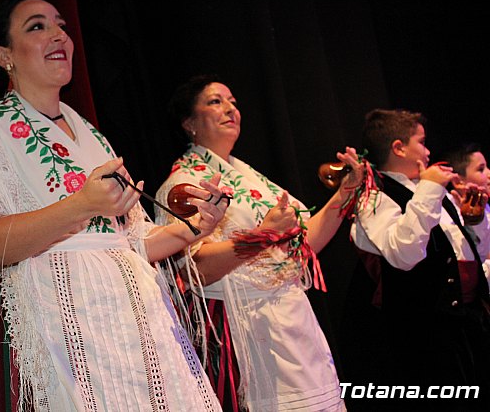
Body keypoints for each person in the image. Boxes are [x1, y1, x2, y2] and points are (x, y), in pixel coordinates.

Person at [0, 0, 228, 411]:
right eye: (37, 27)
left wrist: (196, 226)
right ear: (4, 55)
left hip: (131, 322)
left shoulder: (90, 135)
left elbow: (135, 243)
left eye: (61, 25)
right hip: (55, 321)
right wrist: (81, 205)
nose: (59, 35)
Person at [155, 74, 363, 411]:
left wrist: (345, 193)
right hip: (244, 331)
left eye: (233, 102)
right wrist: (261, 236)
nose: (230, 109)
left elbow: (303, 243)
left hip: (293, 322)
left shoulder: (250, 178)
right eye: (215, 101)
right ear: (189, 123)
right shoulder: (184, 185)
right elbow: (196, 271)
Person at [351, 109, 490, 408]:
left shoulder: (431, 192)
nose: (428, 152)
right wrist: (429, 188)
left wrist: (474, 222)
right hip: (423, 338)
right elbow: (404, 255)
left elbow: (470, 256)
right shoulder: (374, 196)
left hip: (465, 327)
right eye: (422, 142)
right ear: (399, 148)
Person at [443, 142, 490, 287]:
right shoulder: (444, 215)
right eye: (481, 169)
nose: (489, 174)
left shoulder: (486, 208)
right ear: (458, 181)